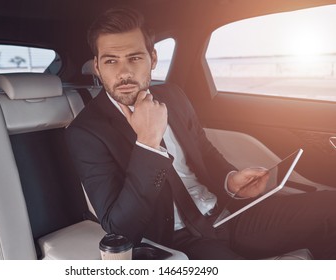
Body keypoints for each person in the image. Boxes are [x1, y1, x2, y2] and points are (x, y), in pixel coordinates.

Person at [66, 7, 336, 259]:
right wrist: (148, 144)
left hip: (227, 215)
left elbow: (204, 152)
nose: (124, 72)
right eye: (111, 61)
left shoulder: (173, 96)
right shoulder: (86, 132)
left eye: (134, 58)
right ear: (98, 68)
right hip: (177, 240)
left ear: (153, 59)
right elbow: (120, 226)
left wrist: (231, 180)